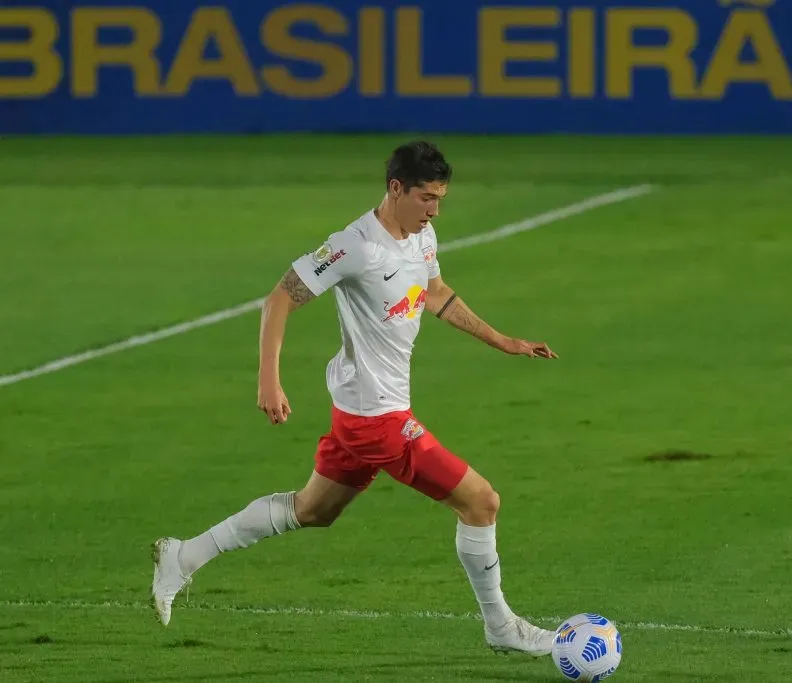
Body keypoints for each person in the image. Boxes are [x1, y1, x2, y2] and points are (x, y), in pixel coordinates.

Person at [150, 140, 559, 656]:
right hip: (377, 418)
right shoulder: (355, 246)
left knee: (312, 511)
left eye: (440, 199)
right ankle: (501, 626)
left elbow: (434, 293)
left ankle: (181, 556)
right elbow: (279, 299)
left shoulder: (422, 235)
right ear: (395, 189)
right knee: (482, 501)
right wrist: (269, 381)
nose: (434, 210)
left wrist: (505, 341)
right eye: (426, 198)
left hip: (363, 411)